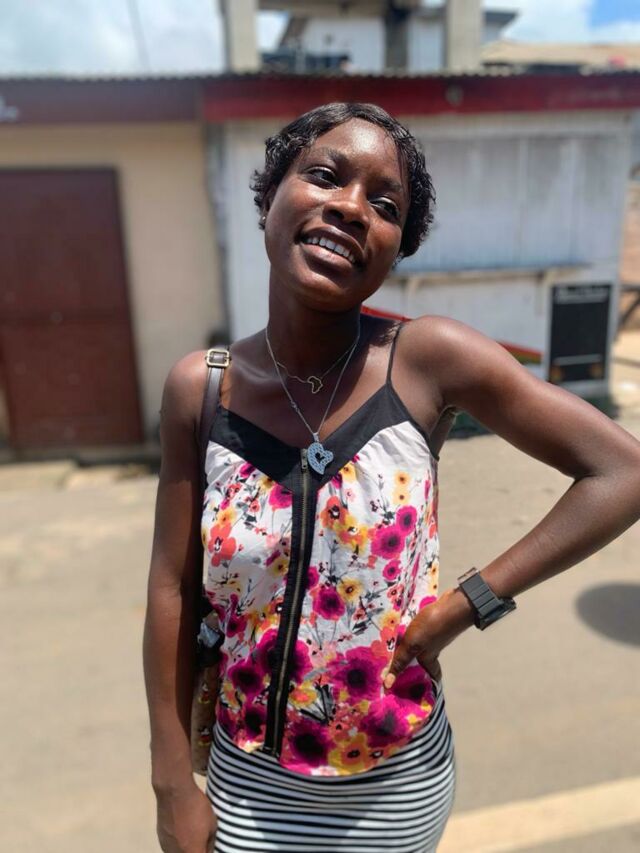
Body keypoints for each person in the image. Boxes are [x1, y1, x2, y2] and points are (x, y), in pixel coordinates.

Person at [143, 102, 640, 853]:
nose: (351, 208)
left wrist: (469, 603)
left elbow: (620, 471)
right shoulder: (202, 389)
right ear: (270, 196)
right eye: (324, 176)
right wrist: (171, 783)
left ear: (395, 249)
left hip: (394, 784)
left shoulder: (425, 361)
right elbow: (172, 589)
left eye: (385, 206)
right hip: (247, 782)